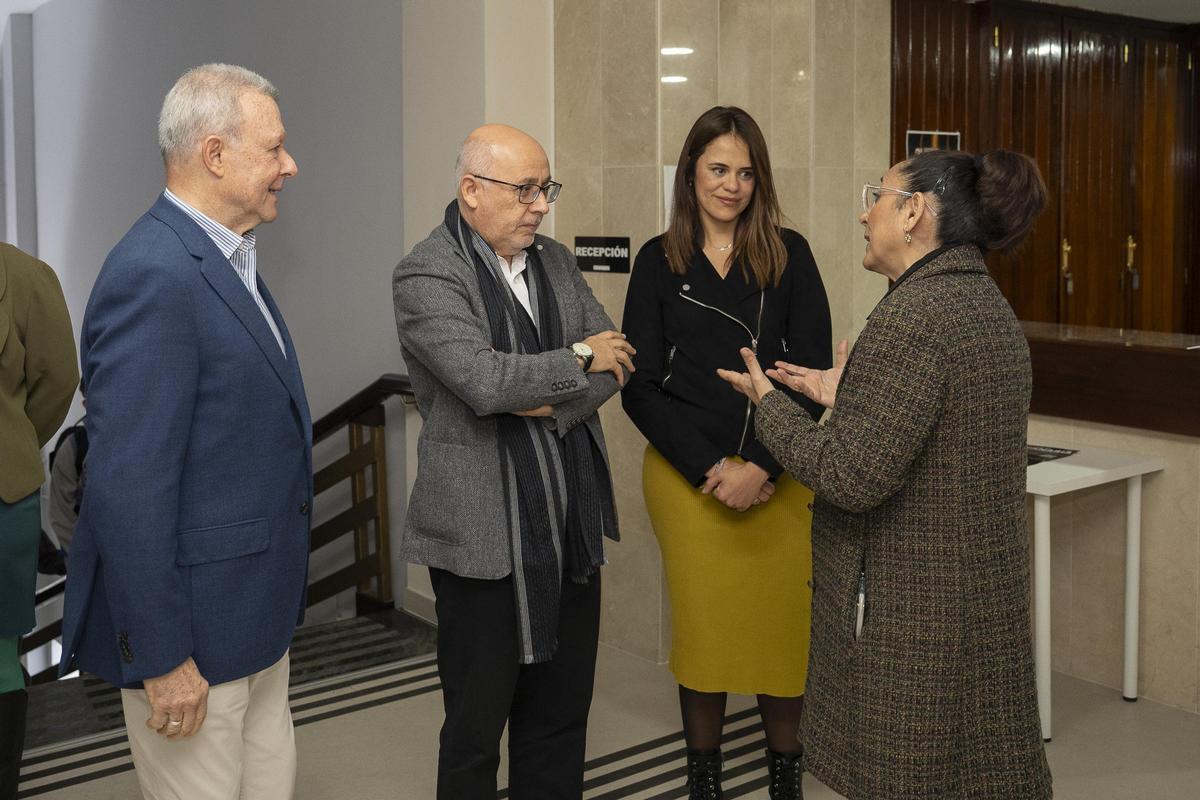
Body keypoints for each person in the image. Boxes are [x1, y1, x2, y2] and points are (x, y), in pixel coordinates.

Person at [718, 148, 1053, 799]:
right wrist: (851, 394)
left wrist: (770, 408)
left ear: (914, 212)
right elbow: (934, 431)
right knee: (973, 776)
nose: (863, 211)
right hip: (973, 601)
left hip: (914, 611)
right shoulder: (979, 303)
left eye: (879, 193)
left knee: (911, 776)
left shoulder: (912, 319)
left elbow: (849, 475)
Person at [60, 64, 312, 800]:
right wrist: (164, 657)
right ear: (214, 154)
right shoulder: (154, 272)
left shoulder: (226, 261)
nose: (289, 166)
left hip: (252, 623)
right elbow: (128, 486)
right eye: (275, 149)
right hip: (193, 645)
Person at [392, 123, 634, 799]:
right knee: (474, 730)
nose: (540, 205)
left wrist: (537, 393)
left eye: (545, 188)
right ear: (471, 190)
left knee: (560, 718)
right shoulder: (426, 273)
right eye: (525, 189)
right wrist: (577, 359)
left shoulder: (555, 261)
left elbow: (620, 362)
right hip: (480, 540)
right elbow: (483, 381)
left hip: (568, 528)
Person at [621, 106, 831, 800]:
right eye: (718, 168)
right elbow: (641, 388)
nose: (732, 184)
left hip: (781, 469)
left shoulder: (790, 253)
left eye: (745, 172)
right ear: (691, 173)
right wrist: (715, 469)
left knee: (781, 631)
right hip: (690, 477)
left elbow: (809, 376)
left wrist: (762, 466)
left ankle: (786, 774)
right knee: (707, 629)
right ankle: (703, 777)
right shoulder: (658, 260)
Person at [0, 242, 78, 800]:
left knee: (1, 653)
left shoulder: (25, 275)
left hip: (3, 496)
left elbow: (60, 378)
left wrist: (13, 447)